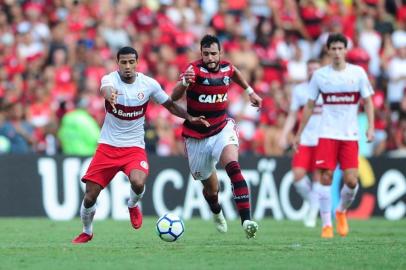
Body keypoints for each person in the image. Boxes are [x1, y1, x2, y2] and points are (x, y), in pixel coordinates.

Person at [72, 46, 209, 244]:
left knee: (138, 181)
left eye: (131, 62)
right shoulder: (110, 79)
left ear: (137, 63)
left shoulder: (148, 84)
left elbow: (169, 104)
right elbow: (105, 89)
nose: (127, 66)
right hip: (108, 147)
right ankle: (87, 231)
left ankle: (132, 204)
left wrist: (189, 117)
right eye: (123, 62)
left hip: (134, 147)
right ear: (117, 63)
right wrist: (109, 95)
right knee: (90, 196)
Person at [171, 35, 263, 238]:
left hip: (222, 128)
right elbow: (173, 98)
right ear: (201, 54)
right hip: (196, 137)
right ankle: (216, 211)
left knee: (233, 166)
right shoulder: (193, 71)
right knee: (212, 190)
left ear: (220, 53)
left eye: (214, 53)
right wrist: (184, 84)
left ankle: (246, 220)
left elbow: (235, 73)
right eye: (206, 54)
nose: (210, 58)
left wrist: (250, 91)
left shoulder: (227, 68)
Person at [293, 33, 375, 238]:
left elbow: (369, 101)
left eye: (341, 48)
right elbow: (310, 106)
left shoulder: (358, 73)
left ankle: (341, 211)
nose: (337, 52)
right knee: (326, 177)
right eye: (334, 49)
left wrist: (371, 126)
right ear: (328, 51)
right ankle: (327, 225)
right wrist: (299, 133)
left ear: (346, 50)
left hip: (349, 135)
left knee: (351, 181)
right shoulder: (320, 76)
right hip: (327, 133)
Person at [279, 59, 322, 228]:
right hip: (304, 139)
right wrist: (284, 134)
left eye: (315, 69)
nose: (312, 72)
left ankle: (312, 213)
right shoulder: (300, 90)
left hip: (322, 139)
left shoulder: (326, 89)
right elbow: (292, 115)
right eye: (310, 69)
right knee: (298, 176)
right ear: (306, 70)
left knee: (319, 177)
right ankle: (313, 202)